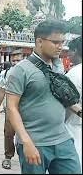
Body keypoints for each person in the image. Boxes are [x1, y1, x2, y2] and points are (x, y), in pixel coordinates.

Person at [6, 20, 81, 174]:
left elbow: (62, 97)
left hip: (62, 139)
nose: (61, 46)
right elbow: (11, 108)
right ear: (39, 41)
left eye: (62, 42)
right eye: (55, 42)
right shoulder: (20, 70)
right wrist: (25, 141)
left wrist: (79, 112)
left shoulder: (57, 67)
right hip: (35, 142)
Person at [0, 49, 24, 170]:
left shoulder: (28, 72)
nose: (16, 62)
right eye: (14, 60)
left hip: (26, 109)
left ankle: (25, 155)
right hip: (10, 109)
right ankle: (8, 157)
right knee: (9, 133)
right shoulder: (6, 73)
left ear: (23, 60)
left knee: (26, 133)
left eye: (19, 60)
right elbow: (2, 90)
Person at [65, 36, 82, 171]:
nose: (68, 54)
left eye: (69, 51)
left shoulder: (74, 74)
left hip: (73, 127)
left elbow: (67, 104)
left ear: (75, 51)